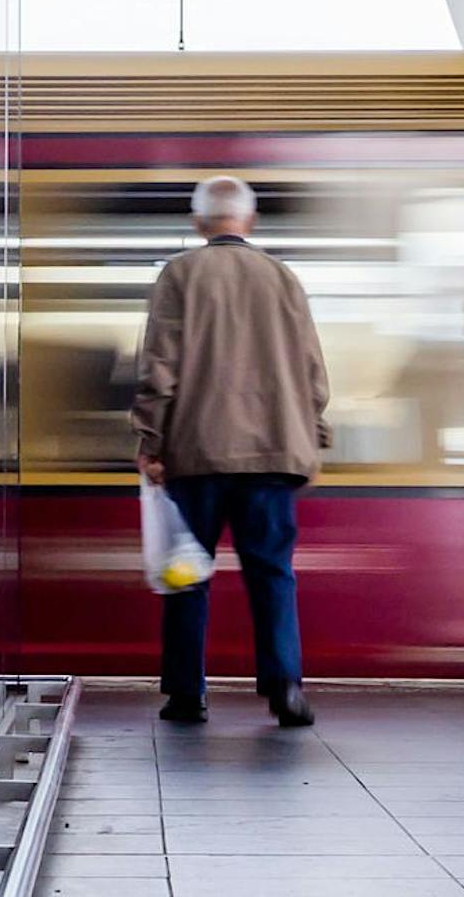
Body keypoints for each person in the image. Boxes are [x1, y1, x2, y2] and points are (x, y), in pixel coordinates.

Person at [130, 175, 330, 728]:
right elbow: (312, 371)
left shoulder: (180, 274)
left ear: (199, 223)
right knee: (272, 571)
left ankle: (187, 694)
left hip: (196, 452)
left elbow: (159, 367)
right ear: (251, 222)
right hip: (272, 455)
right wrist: (311, 439)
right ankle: (285, 686)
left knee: (187, 571)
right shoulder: (282, 277)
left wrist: (151, 441)